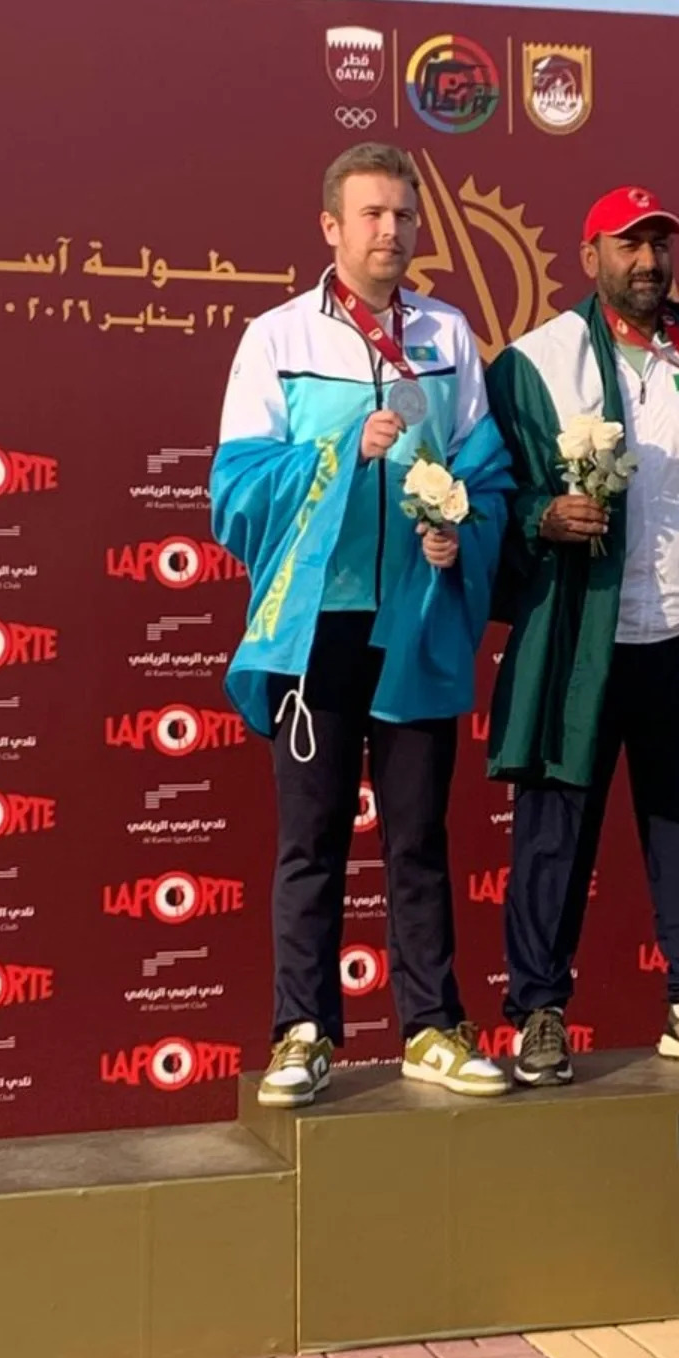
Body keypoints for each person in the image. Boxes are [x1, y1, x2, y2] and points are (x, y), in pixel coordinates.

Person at [210, 143, 514, 1106]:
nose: (392, 230)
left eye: (404, 215)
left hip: (415, 619)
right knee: (312, 841)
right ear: (331, 227)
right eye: (373, 214)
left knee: (418, 838)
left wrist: (459, 529)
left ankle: (431, 1026)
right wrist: (343, 450)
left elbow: (487, 469)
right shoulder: (277, 337)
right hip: (318, 628)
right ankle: (301, 1032)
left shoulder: (449, 334)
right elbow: (235, 492)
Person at [484, 185, 679, 1086]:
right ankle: (538, 1012)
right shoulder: (538, 362)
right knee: (553, 832)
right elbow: (492, 492)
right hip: (578, 636)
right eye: (628, 245)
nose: (648, 262)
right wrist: (542, 516)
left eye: (659, 245)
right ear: (591, 257)